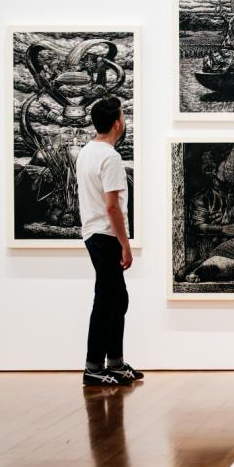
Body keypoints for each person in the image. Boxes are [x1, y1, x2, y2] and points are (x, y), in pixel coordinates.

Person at [75, 96, 143, 387]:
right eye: (123, 116)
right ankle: (94, 367)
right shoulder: (110, 157)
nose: (125, 121)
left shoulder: (87, 152)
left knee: (117, 298)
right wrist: (125, 244)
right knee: (106, 300)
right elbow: (112, 206)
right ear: (117, 123)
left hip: (95, 234)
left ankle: (114, 362)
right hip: (106, 235)